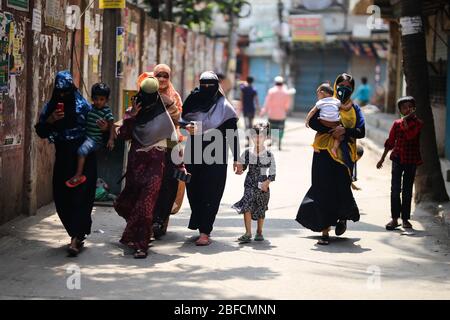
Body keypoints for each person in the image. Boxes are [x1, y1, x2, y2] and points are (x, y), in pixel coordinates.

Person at [35, 71, 108, 256]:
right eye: (59, 92)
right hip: (63, 157)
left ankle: (76, 237)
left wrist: (106, 129)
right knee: (62, 196)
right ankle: (75, 232)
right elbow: (41, 130)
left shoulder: (83, 106)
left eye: (66, 92)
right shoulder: (50, 108)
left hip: (84, 157)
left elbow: (100, 131)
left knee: (81, 197)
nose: (62, 96)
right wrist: (51, 120)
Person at [114, 77, 180, 259]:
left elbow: (173, 142)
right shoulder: (132, 112)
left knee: (146, 205)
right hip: (136, 166)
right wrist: (131, 116)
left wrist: (180, 165)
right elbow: (123, 135)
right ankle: (134, 234)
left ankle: (141, 245)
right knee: (128, 203)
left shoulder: (163, 116)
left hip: (155, 167)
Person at [296, 73, 365, 245]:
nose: (344, 88)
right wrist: (331, 130)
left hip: (344, 156)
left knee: (341, 188)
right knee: (322, 188)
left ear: (353, 89)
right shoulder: (327, 102)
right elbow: (312, 122)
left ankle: (342, 218)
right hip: (322, 152)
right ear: (335, 85)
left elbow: (361, 131)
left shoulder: (355, 109)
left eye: (348, 86)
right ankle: (324, 230)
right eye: (341, 84)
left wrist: (344, 131)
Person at [182, 71, 241, 246]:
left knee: (212, 191)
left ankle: (205, 230)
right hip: (193, 151)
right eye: (203, 84)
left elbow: (233, 134)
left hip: (217, 153)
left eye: (210, 85)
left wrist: (237, 159)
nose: (206, 88)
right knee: (193, 189)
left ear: (217, 86)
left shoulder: (225, 108)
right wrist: (187, 128)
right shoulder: (192, 100)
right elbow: (182, 119)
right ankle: (199, 221)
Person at [376, 96, 423, 230]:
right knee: (395, 190)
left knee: (407, 191)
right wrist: (382, 158)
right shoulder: (396, 124)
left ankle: (405, 220)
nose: (406, 109)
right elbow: (390, 142)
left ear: (413, 108)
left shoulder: (418, 123)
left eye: (409, 107)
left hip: (411, 159)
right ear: (400, 110)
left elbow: (410, 136)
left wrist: (405, 122)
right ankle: (395, 219)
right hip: (397, 158)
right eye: (403, 107)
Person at [151, 64, 185, 239]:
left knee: (169, 183)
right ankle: (147, 219)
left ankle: (160, 220)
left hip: (171, 143)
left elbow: (180, 119)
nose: (162, 79)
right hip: (149, 144)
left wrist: (167, 103)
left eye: (165, 76)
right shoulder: (146, 92)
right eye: (159, 75)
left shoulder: (174, 96)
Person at [232, 122, 276, 243]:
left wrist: (267, 182)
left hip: (263, 185)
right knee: (247, 207)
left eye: (261, 136)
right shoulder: (247, 153)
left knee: (261, 209)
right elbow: (243, 167)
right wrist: (240, 169)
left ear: (266, 138)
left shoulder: (268, 155)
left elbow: (272, 173)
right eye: (255, 136)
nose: (257, 139)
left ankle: (259, 232)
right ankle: (248, 233)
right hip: (249, 183)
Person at [66, 83, 115, 188]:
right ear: (92, 98)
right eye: (96, 99)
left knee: (82, 151)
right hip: (86, 136)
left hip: (95, 140)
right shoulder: (90, 108)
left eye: (102, 99)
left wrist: (111, 139)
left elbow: (112, 126)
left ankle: (78, 175)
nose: (98, 102)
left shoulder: (106, 111)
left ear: (107, 100)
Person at [305, 83, 353, 157]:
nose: (318, 97)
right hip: (335, 124)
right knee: (339, 136)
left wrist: (307, 120)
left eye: (318, 95)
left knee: (319, 133)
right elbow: (346, 108)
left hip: (323, 122)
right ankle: (334, 148)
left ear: (322, 93)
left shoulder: (321, 102)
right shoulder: (336, 101)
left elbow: (312, 111)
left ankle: (315, 145)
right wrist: (350, 103)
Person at [260, 76, 291, 150]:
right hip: (281, 115)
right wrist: (285, 110)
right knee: (280, 129)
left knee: (272, 128)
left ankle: (273, 140)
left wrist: (263, 111)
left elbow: (267, 103)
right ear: (282, 83)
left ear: (275, 83)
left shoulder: (271, 91)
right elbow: (287, 105)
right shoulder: (286, 92)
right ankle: (279, 143)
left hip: (272, 114)